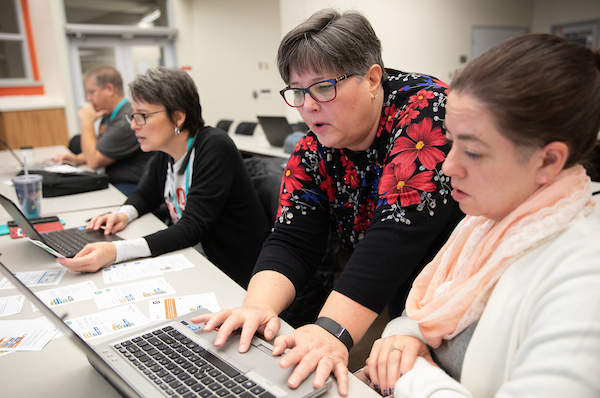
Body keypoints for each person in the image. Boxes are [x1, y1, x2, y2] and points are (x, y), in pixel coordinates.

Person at [192, 9, 464, 396]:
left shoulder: (427, 112)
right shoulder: (313, 147)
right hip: (402, 287)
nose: (308, 106)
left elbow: (396, 235)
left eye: (323, 87)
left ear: (372, 78)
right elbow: (291, 239)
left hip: (459, 284)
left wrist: (331, 331)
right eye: (297, 92)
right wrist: (257, 306)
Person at [359, 34, 600, 397]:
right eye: (451, 141)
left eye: (472, 151)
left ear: (548, 161)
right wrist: (402, 339)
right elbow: (428, 313)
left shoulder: (585, 276)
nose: (447, 165)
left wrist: (409, 377)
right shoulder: (487, 220)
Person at [57, 67, 271, 288]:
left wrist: (116, 251)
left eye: (143, 116)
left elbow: (191, 228)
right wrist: (122, 214)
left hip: (235, 274)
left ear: (178, 117)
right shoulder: (167, 151)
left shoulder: (213, 147)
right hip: (197, 260)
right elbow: (145, 195)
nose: (133, 125)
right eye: (133, 115)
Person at [54, 66, 154, 195]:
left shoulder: (126, 120)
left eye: (91, 92)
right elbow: (103, 150)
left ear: (109, 89)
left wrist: (86, 121)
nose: (88, 98)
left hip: (131, 185)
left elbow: (94, 161)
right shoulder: (108, 115)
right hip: (116, 180)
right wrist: (77, 159)